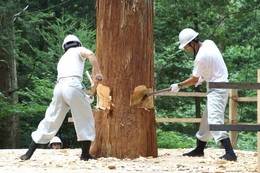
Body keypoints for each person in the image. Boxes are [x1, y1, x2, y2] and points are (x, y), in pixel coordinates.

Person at [20, 34, 103, 161]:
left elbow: (70, 90)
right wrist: (98, 73)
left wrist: (86, 96)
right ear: (78, 44)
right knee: (85, 118)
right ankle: (85, 154)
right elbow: (91, 55)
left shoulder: (63, 58)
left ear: (65, 47)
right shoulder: (78, 50)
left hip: (59, 88)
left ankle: (29, 152)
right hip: (73, 85)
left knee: (51, 119)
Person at [170, 28, 237, 161]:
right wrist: (204, 77)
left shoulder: (200, 58)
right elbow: (213, 65)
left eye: (186, 47)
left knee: (214, 120)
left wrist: (178, 86)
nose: (186, 50)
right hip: (219, 84)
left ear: (192, 43)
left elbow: (194, 79)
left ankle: (230, 152)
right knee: (206, 120)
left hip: (217, 88)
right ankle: (200, 149)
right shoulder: (209, 43)